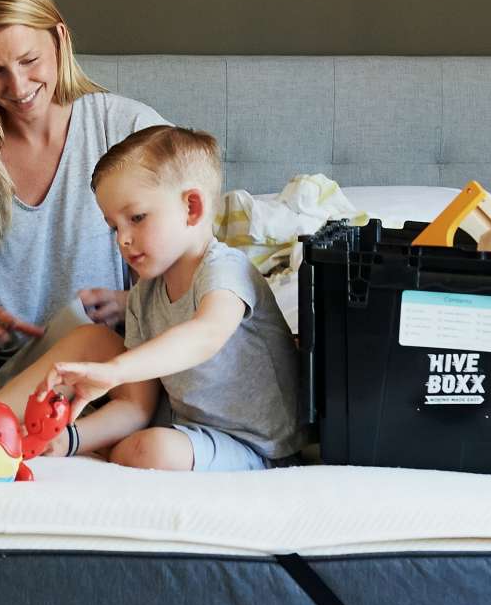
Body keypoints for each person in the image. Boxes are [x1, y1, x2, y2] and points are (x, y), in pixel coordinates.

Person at [0, 0, 168, 458]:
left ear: (60, 39)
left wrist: (126, 301)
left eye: (30, 61)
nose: (18, 85)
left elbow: (183, 273)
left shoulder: (127, 128)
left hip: (104, 371)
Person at [45, 126, 303, 471]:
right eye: (114, 226)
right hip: (191, 433)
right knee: (144, 439)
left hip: (260, 448)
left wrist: (115, 370)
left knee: (153, 450)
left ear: (191, 207)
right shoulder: (143, 296)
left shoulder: (224, 270)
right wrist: (69, 438)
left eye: (136, 218)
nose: (122, 239)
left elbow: (205, 336)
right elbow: (137, 406)